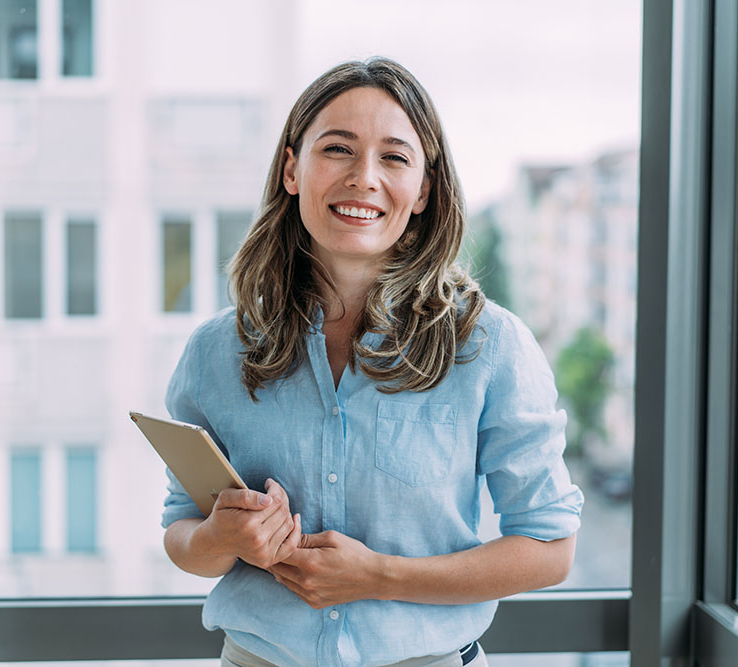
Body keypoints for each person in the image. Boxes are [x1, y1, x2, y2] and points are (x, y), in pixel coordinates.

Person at [161, 57, 583, 667]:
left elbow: (550, 549)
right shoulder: (215, 352)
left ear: (423, 192)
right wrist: (218, 539)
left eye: (394, 157)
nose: (364, 178)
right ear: (292, 170)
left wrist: (380, 576)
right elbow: (183, 534)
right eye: (337, 149)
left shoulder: (491, 347)